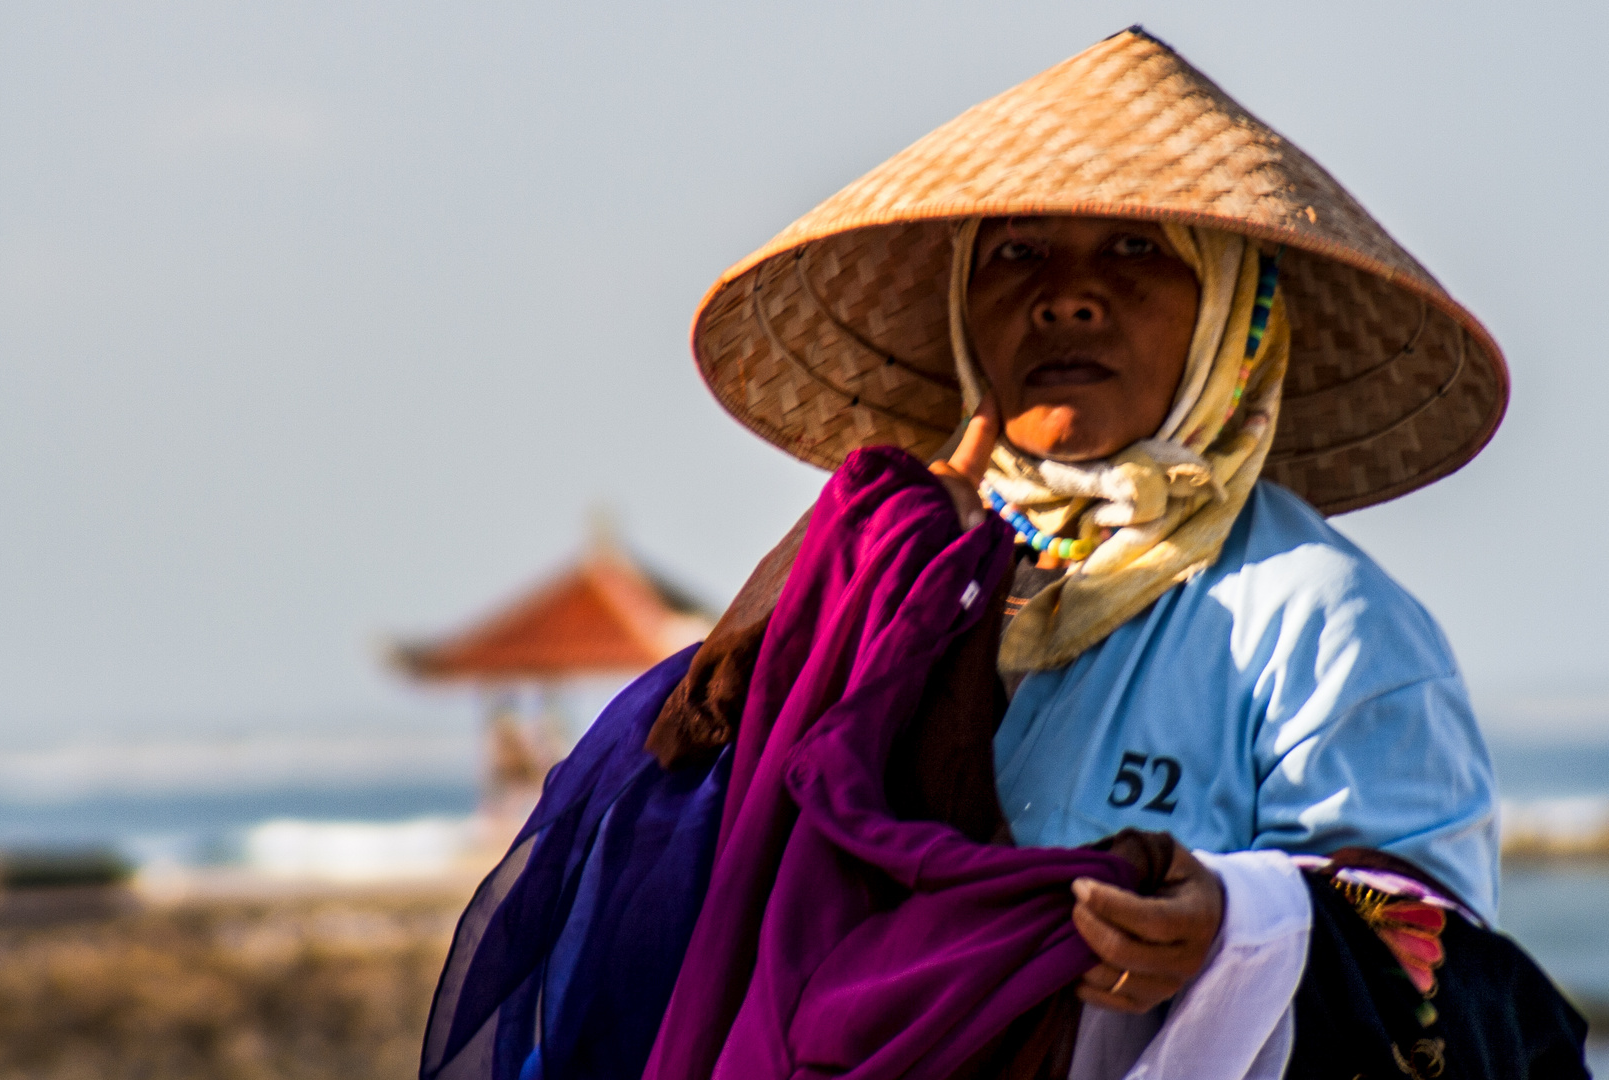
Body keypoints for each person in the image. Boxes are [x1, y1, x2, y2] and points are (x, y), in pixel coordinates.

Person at [422, 27, 1588, 1080]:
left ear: (1236, 312)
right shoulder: (887, 577)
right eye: (1016, 254)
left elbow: (1434, 974)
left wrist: (1235, 925)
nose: (1068, 299)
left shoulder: (1321, 614)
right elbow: (718, 880)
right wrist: (877, 583)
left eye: (1136, 247)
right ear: (963, 314)